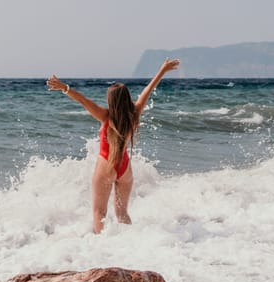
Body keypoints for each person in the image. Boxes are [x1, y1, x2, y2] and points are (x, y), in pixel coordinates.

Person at [46, 58, 180, 233]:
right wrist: (162, 71)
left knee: (99, 212)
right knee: (122, 213)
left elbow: (84, 101)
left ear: (112, 101)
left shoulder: (106, 116)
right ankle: (127, 243)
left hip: (106, 166)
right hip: (125, 169)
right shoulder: (135, 114)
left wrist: (65, 88)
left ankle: (102, 248)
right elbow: (148, 90)